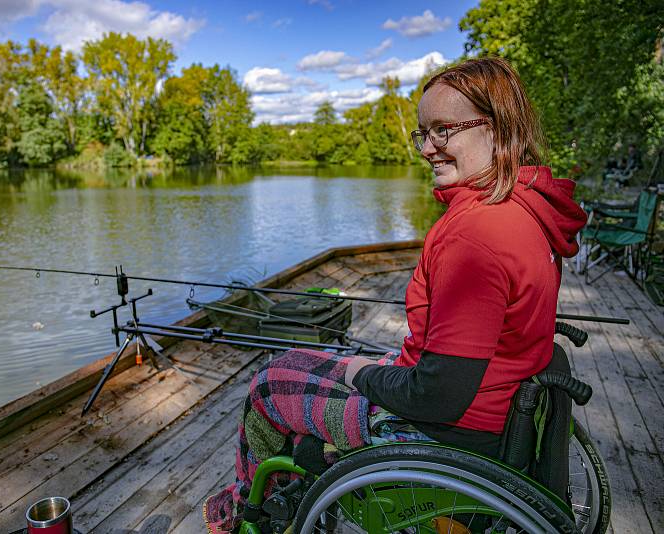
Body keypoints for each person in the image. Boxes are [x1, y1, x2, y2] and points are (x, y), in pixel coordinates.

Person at [203, 57, 587, 534]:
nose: (428, 148)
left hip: (444, 434)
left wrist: (360, 372)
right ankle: (286, 482)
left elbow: (437, 396)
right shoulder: (527, 210)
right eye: (422, 133)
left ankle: (249, 506)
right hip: (493, 414)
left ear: (499, 130)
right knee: (314, 359)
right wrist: (374, 368)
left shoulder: (476, 235)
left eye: (443, 131)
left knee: (270, 383)